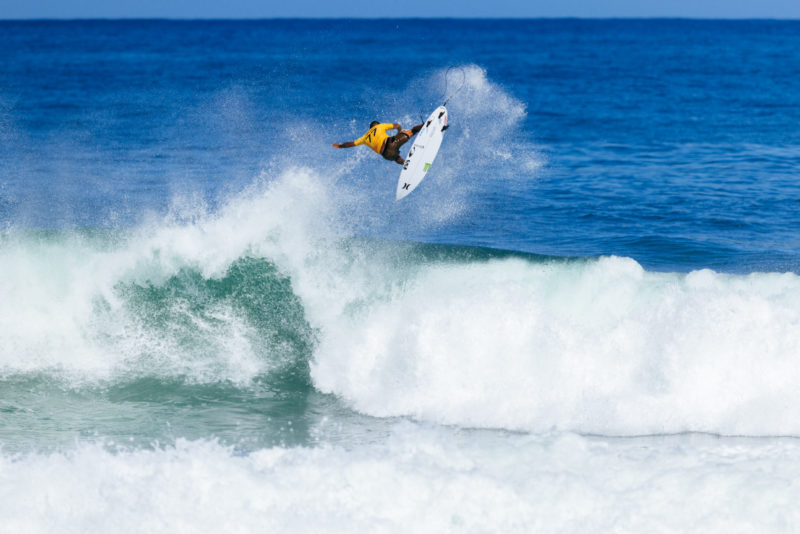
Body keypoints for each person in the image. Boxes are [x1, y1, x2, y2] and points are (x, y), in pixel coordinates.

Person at [332, 121, 423, 165]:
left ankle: (408, 164)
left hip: (386, 155)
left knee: (395, 157)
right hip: (391, 143)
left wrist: (340, 146)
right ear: (376, 124)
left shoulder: (364, 138)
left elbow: (350, 144)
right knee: (412, 130)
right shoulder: (379, 126)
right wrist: (399, 132)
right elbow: (398, 126)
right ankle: (427, 125)